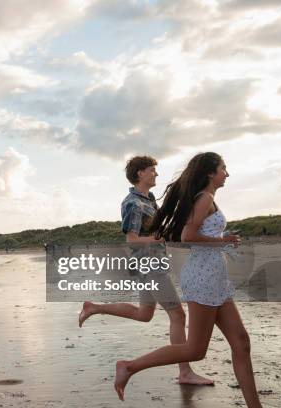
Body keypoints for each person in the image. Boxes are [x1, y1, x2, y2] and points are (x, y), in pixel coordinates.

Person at [113, 152, 262, 408]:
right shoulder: (204, 198)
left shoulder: (206, 199)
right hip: (204, 277)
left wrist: (221, 236)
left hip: (215, 278)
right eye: (223, 168)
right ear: (210, 173)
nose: (227, 173)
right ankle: (129, 366)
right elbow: (187, 235)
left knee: (241, 342)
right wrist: (222, 240)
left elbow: (192, 233)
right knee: (195, 349)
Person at [79, 156, 211, 385]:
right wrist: (158, 238)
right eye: (152, 170)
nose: (156, 174)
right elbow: (132, 240)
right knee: (178, 314)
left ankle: (94, 307)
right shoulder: (133, 203)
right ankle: (184, 372)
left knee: (144, 314)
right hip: (148, 263)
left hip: (150, 262)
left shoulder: (149, 199)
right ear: (139, 173)